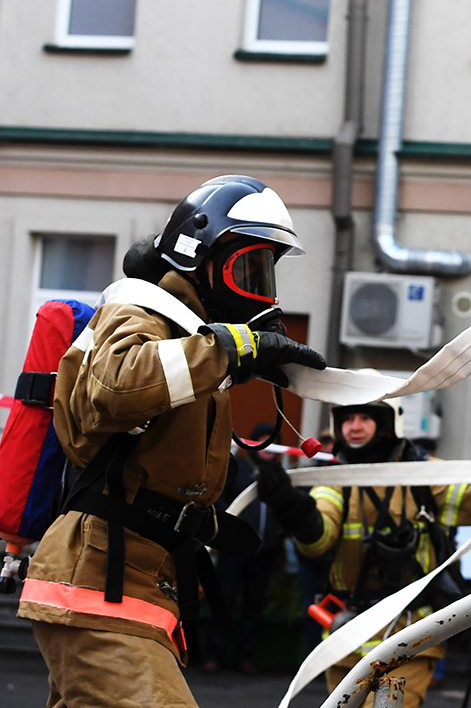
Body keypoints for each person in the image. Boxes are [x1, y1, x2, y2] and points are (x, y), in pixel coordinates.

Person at [17, 175, 327, 708]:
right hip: (97, 587)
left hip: (133, 590)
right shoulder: (136, 313)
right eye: (247, 269)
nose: (257, 289)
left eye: (264, 273)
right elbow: (117, 384)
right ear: (198, 259)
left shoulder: (190, 340)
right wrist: (233, 348)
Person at [257, 395, 471, 708]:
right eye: (347, 419)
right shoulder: (335, 479)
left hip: (409, 637)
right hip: (347, 637)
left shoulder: (423, 476)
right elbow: (318, 540)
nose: (354, 427)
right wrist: (292, 508)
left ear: (386, 423)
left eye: (364, 418)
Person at [203, 422, 287, 673]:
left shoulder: (279, 476)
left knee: (254, 605)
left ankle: (246, 657)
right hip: (234, 550)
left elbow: (285, 509)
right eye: (263, 440)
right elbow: (218, 499)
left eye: (273, 442)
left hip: (264, 552)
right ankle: (213, 655)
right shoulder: (238, 470)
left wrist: (278, 535)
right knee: (223, 600)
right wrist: (229, 528)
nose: (268, 447)